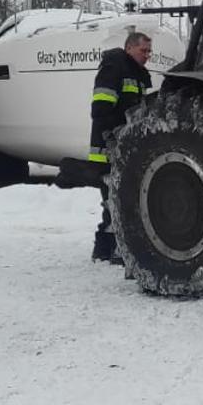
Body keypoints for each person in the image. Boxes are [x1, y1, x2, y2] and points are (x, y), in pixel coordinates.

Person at [87, 31, 155, 263]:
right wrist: (112, 135)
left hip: (125, 146)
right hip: (108, 147)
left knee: (122, 198)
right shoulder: (115, 67)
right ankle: (106, 249)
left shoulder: (137, 75)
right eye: (143, 50)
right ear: (129, 49)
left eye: (149, 51)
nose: (147, 56)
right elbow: (101, 108)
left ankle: (112, 249)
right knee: (112, 200)